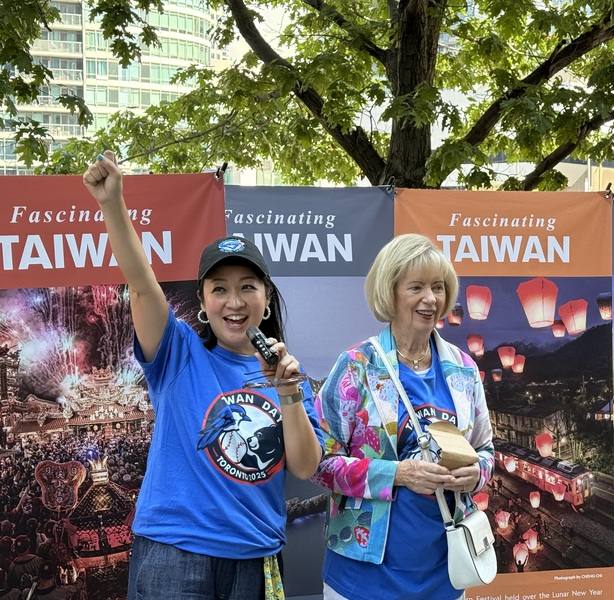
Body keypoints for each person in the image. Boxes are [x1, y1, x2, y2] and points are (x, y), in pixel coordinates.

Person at [82, 152, 323, 600]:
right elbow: (142, 284)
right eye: (220, 289)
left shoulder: (291, 374)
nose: (235, 301)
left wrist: (288, 394)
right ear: (204, 302)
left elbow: (306, 467)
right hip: (175, 554)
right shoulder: (177, 354)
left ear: (266, 298)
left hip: (256, 556)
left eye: (247, 286)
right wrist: (112, 203)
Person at [311, 234, 494, 600]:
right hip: (363, 577)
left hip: (447, 571)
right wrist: (399, 474)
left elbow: (486, 449)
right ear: (390, 292)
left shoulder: (463, 370)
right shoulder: (356, 367)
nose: (431, 299)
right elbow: (319, 464)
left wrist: (477, 474)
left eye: (438, 287)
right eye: (417, 287)